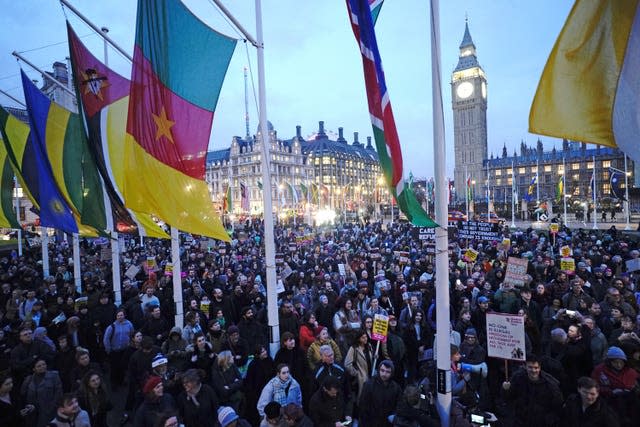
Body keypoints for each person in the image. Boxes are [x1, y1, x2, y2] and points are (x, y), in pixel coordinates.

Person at [501, 355, 563, 427]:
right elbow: (508, 398)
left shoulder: (550, 385)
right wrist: (505, 389)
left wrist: (548, 420)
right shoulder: (518, 379)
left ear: (540, 368)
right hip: (520, 421)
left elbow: (558, 405)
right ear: (525, 367)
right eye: (530, 367)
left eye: (536, 368)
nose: (533, 370)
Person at [20, 358, 63, 427]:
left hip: (49, 411)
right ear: (34, 369)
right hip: (33, 413)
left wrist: (51, 408)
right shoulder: (28, 379)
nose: (42, 367)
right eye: (39, 366)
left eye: (44, 364)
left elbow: (59, 394)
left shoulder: (54, 376)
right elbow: (23, 394)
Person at [358, 359, 401, 427]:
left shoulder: (396, 388)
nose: (384, 374)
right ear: (378, 370)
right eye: (382, 370)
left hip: (387, 423)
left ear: (392, 373)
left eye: (388, 372)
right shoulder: (369, 385)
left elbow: (398, 406)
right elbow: (363, 407)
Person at [344, 329, 373, 401]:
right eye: (363, 337)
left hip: (370, 375)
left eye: (366, 337)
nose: (365, 339)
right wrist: (356, 374)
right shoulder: (354, 348)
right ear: (358, 338)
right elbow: (347, 364)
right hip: (361, 378)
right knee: (361, 398)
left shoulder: (369, 346)